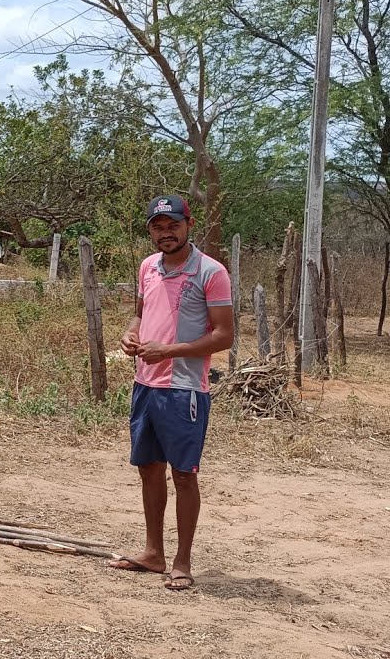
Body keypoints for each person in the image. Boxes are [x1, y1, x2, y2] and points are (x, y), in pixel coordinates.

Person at [112, 195, 234, 590]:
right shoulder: (148, 266)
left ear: (188, 224)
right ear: (150, 229)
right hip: (145, 383)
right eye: (157, 227)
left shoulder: (211, 272)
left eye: (173, 225)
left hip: (184, 390)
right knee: (148, 468)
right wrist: (131, 332)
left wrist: (170, 351)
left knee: (183, 474)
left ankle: (182, 561)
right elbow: (142, 312)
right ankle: (153, 553)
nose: (166, 233)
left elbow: (224, 336)